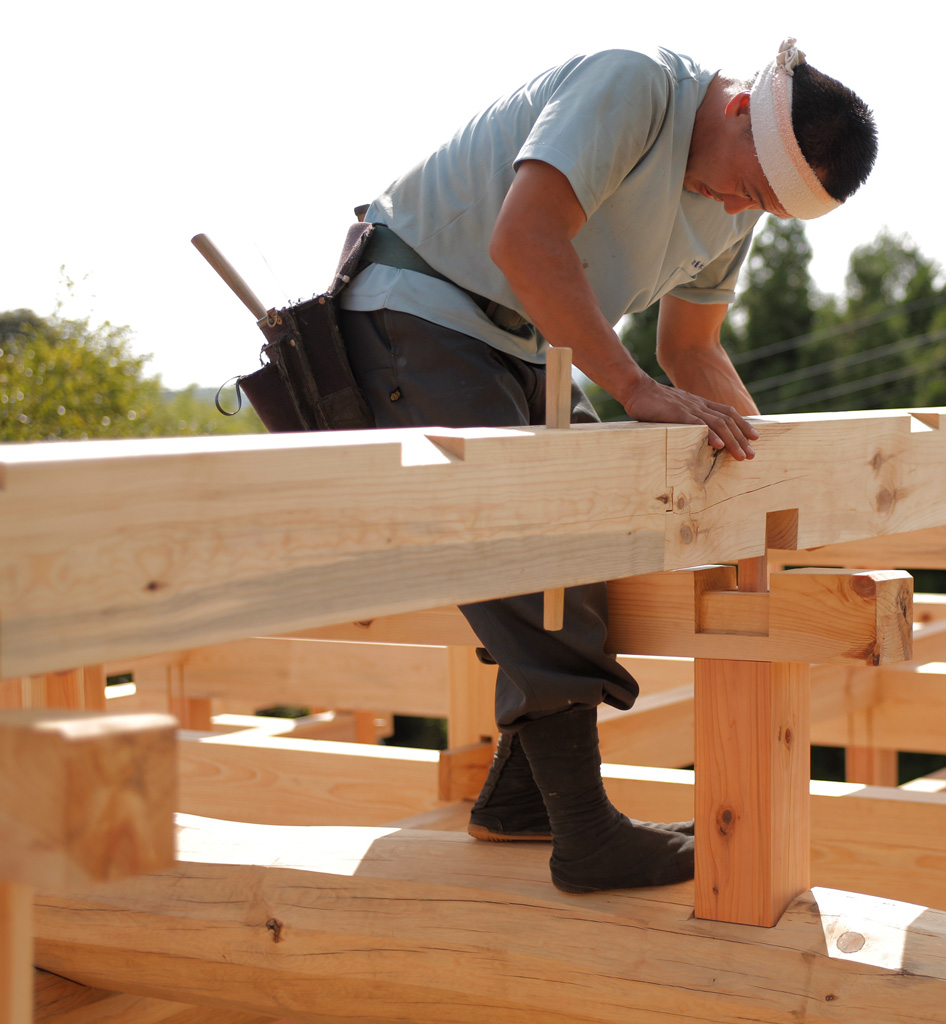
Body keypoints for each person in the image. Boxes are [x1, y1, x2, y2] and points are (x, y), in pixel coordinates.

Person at [333, 39, 878, 893]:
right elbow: (524, 239)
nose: (740, 207)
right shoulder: (636, 87)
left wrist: (781, 477)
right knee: (536, 532)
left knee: (608, 530)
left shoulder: (740, 198)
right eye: (748, 185)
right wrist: (627, 386)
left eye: (765, 207)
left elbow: (692, 352)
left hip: (525, 341)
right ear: (740, 110)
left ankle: (521, 796)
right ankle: (585, 834)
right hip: (421, 308)